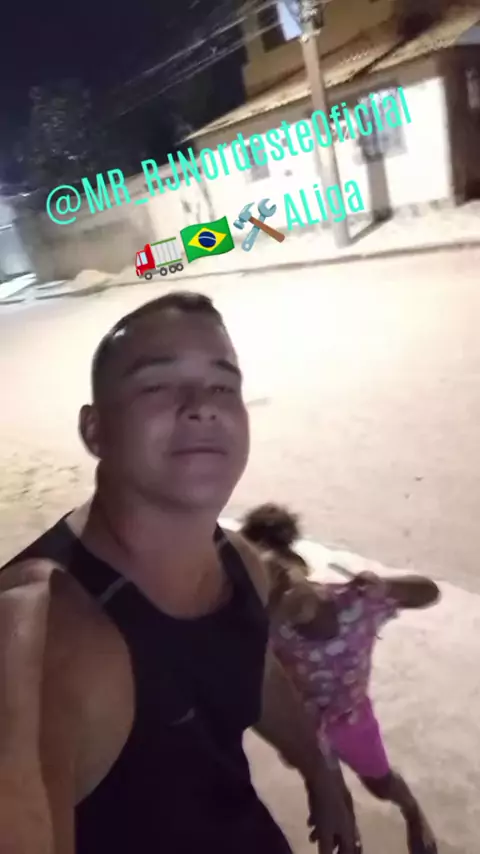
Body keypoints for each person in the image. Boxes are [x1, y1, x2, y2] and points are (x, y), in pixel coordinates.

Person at [0, 292, 356, 854]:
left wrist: (319, 769)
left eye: (223, 386)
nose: (202, 406)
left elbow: (254, 669)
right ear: (95, 430)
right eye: (157, 385)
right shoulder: (50, 641)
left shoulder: (240, 563)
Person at [240, 502, 440, 854]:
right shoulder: (268, 632)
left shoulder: (356, 603)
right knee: (334, 805)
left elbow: (428, 592)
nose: (285, 591)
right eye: (270, 587)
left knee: (381, 784)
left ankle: (412, 811)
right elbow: (250, 678)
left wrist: (384, 585)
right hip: (305, 729)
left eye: (284, 573)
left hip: (353, 719)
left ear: (301, 565)